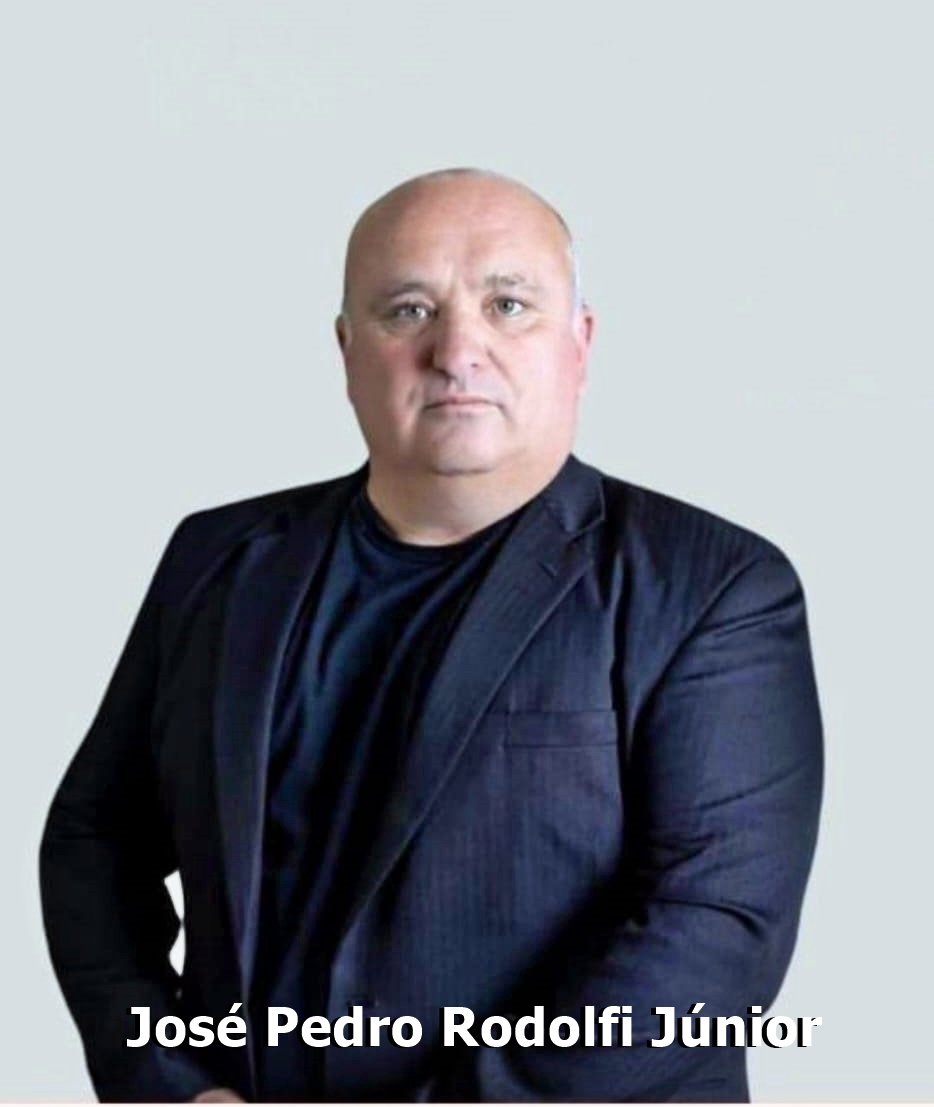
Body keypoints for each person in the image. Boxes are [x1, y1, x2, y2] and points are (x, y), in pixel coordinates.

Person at [40, 168, 823, 1103]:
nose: (457, 350)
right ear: (346, 350)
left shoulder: (713, 587)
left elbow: (715, 928)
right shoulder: (217, 558)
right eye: (408, 309)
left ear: (579, 342)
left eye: (508, 305)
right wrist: (170, 1085)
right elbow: (93, 840)